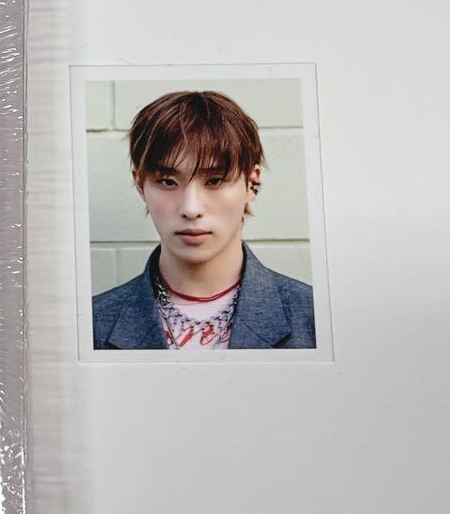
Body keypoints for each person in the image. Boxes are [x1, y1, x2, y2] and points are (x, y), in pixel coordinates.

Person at [92, 90, 316, 350]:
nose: (191, 209)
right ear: (140, 184)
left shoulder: (315, 318)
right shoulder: (92, 325)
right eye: (168, 182)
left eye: (215, 181)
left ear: (251, 183)